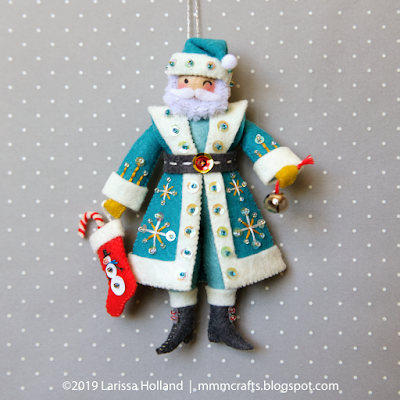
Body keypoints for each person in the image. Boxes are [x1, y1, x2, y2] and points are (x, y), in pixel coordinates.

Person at [101, 38, 306, 354]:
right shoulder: (162, 122)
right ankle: (181, 323)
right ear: (175, 82)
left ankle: (222, 323)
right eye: (186, 81)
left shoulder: (234, 120)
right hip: (174, 201)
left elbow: (258, 142)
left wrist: (280, 166)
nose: (194, 89)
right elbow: (141, 156)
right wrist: (121, 196)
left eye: (206, 83)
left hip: (227, 199)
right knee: (178, 256)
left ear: (221, 86)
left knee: (224, 255)